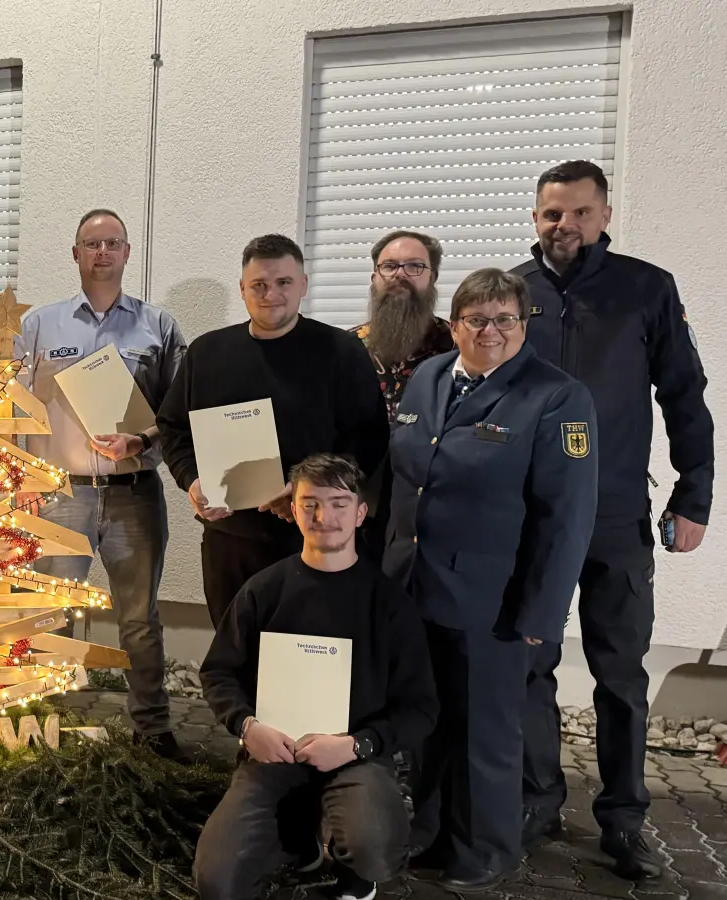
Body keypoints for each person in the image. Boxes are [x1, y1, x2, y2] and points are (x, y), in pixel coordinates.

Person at [512, 161, 714, 879]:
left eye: (576, 213)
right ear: (535, 218)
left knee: (620, 673)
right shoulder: (513, 293)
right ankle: (538, 799)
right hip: (530, 517)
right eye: (549, 214)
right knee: (529, 662)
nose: (561, 225)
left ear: (602, 215)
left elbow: (685, 395)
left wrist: (694, 497)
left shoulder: (646, 289)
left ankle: (625, 819)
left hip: (616, 513)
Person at [383, 268, 598, 891]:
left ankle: (485, 851)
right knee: (426, 726)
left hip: (493, 603)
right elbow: (405, 478)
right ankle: (428, 833)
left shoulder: (557, 397)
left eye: (505, 317)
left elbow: (567, 519)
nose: (491, 330)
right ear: (454, 325)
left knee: (485, 735)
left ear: (524, 323)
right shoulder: (427, 378)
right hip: (416, 587)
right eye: (477, 318)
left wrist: (542, 615)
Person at [195, 454, 437, 900]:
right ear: (293, 510)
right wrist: (247, 727)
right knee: (217, 881)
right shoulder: (264, 591)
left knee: (375, 849)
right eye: (310, 504)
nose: (324, 517)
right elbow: (219, 672)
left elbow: (420, 708)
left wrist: (358, 744)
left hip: (355, 755)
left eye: (339, 503)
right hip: (273, 754)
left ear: (361, 513)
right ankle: (298, 837)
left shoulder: (388, 604)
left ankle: (355, 877)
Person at [12, 209, 188, 760]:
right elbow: (13, 409)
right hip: (61, 494)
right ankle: (41, 725)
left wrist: (142, 441)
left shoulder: (157, 326)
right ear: (76, 254)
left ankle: (153, 729)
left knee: (138, 618)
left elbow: (177, 410)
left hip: (134, 494)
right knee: (52, 613)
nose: (102, 252)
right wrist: (21, 477)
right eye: (92, 243)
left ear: (128, 252)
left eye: (112, 243)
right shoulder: (40, 324)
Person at [157, 234, 388, 627]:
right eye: (259, 285)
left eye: (283, 283)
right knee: (235, 655)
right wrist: (192, 481)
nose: (271, 295)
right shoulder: (207, 353)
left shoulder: (341, 351)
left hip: (313, 536)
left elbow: (368, 439)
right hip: (229, 540)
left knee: (305, 658)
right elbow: (174, 427)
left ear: (303, 285)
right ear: (243, 289)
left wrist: (305, 490)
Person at [351, 230, 455, 562]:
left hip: (435, 508)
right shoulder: (346, 348)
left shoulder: (459, 346)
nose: (400, 275)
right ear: (374, 276)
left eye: (414, 267)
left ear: (433, 277)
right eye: (390, 266)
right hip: (360, 507)